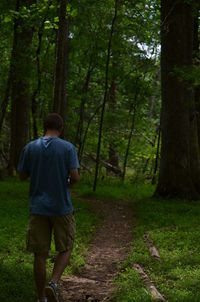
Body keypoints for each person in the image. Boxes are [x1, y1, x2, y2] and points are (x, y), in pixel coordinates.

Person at [17, 113, 80, 302]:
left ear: (44, 127)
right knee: (67, 246)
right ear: (60, 129)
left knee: (40, 254)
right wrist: (65, 184)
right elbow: (75, 177)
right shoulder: (68, 148)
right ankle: (53, 282)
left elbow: (22, 175)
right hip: (62, 207)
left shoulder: (30, 147)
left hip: (38, 208)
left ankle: (41, 298)